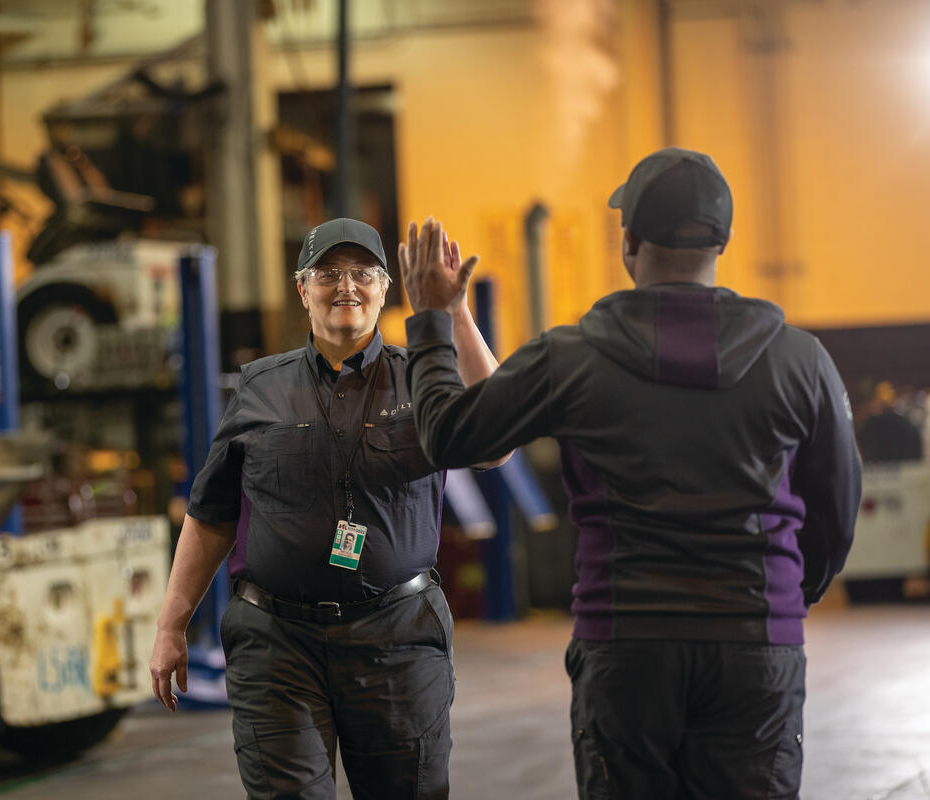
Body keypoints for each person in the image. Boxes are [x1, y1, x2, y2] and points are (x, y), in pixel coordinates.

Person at [399, 148, 862, 799]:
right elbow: (838, 507)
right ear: (722, 240)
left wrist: (431, 318)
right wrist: (785, 599)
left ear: (630, 241)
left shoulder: (572, 356)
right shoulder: (800, 360)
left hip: (627, 644)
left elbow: (450, 434)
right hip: (754, 645)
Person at [149, 217, 507, 799]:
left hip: (397, 638)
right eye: (329, 273)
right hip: (277, 644)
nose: (347, 287)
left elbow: (495, 442)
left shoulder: (424, 378)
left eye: (363, 272)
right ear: (302, 288)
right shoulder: (259, 388)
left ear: (386, 287)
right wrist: (170, 623)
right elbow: (211, 513)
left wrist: (454, 311)